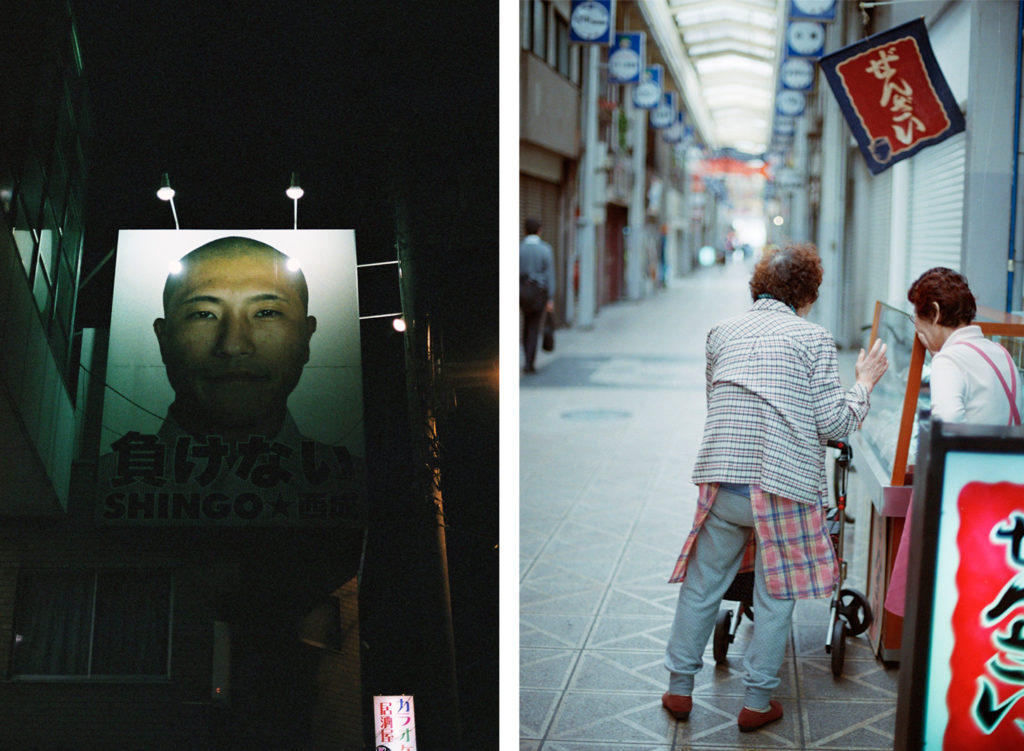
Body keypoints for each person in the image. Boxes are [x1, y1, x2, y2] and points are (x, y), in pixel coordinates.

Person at [662, 244, 889, 732]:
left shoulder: (721, 332)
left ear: (757, 286)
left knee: (703, 585)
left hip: (722, 482)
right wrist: (864, 383)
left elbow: (717, 399)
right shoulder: (813, 339)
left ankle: (679, 687)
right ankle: (757, 701)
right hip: (783, 486)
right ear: (806, 295)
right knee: (775, 593)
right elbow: (834, 423)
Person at [96, 236, 364, 526]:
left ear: (306, 336)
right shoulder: (98, 488)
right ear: (163, 338)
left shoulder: (352, 485)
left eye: (266, 313)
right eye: (203, 314)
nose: (233, 345)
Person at [884, 267, 1022, 616]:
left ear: (933, 312)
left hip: (962, 500)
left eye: (920, 328)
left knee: (945, 599)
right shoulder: (1000, 354)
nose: (921, 339)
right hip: (1003, 496)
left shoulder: (949, 360)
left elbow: (946, 430)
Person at [519, 217, 555, 374]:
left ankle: (526, 356)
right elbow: (550, 275)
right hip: (538, 294)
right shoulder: (545, 249)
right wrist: (550, 298)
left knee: (526, 324)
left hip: (521, 292)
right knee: (533, 325)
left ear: (524, 230)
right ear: (539, 231)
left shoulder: (518, 249)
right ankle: (529, 362)